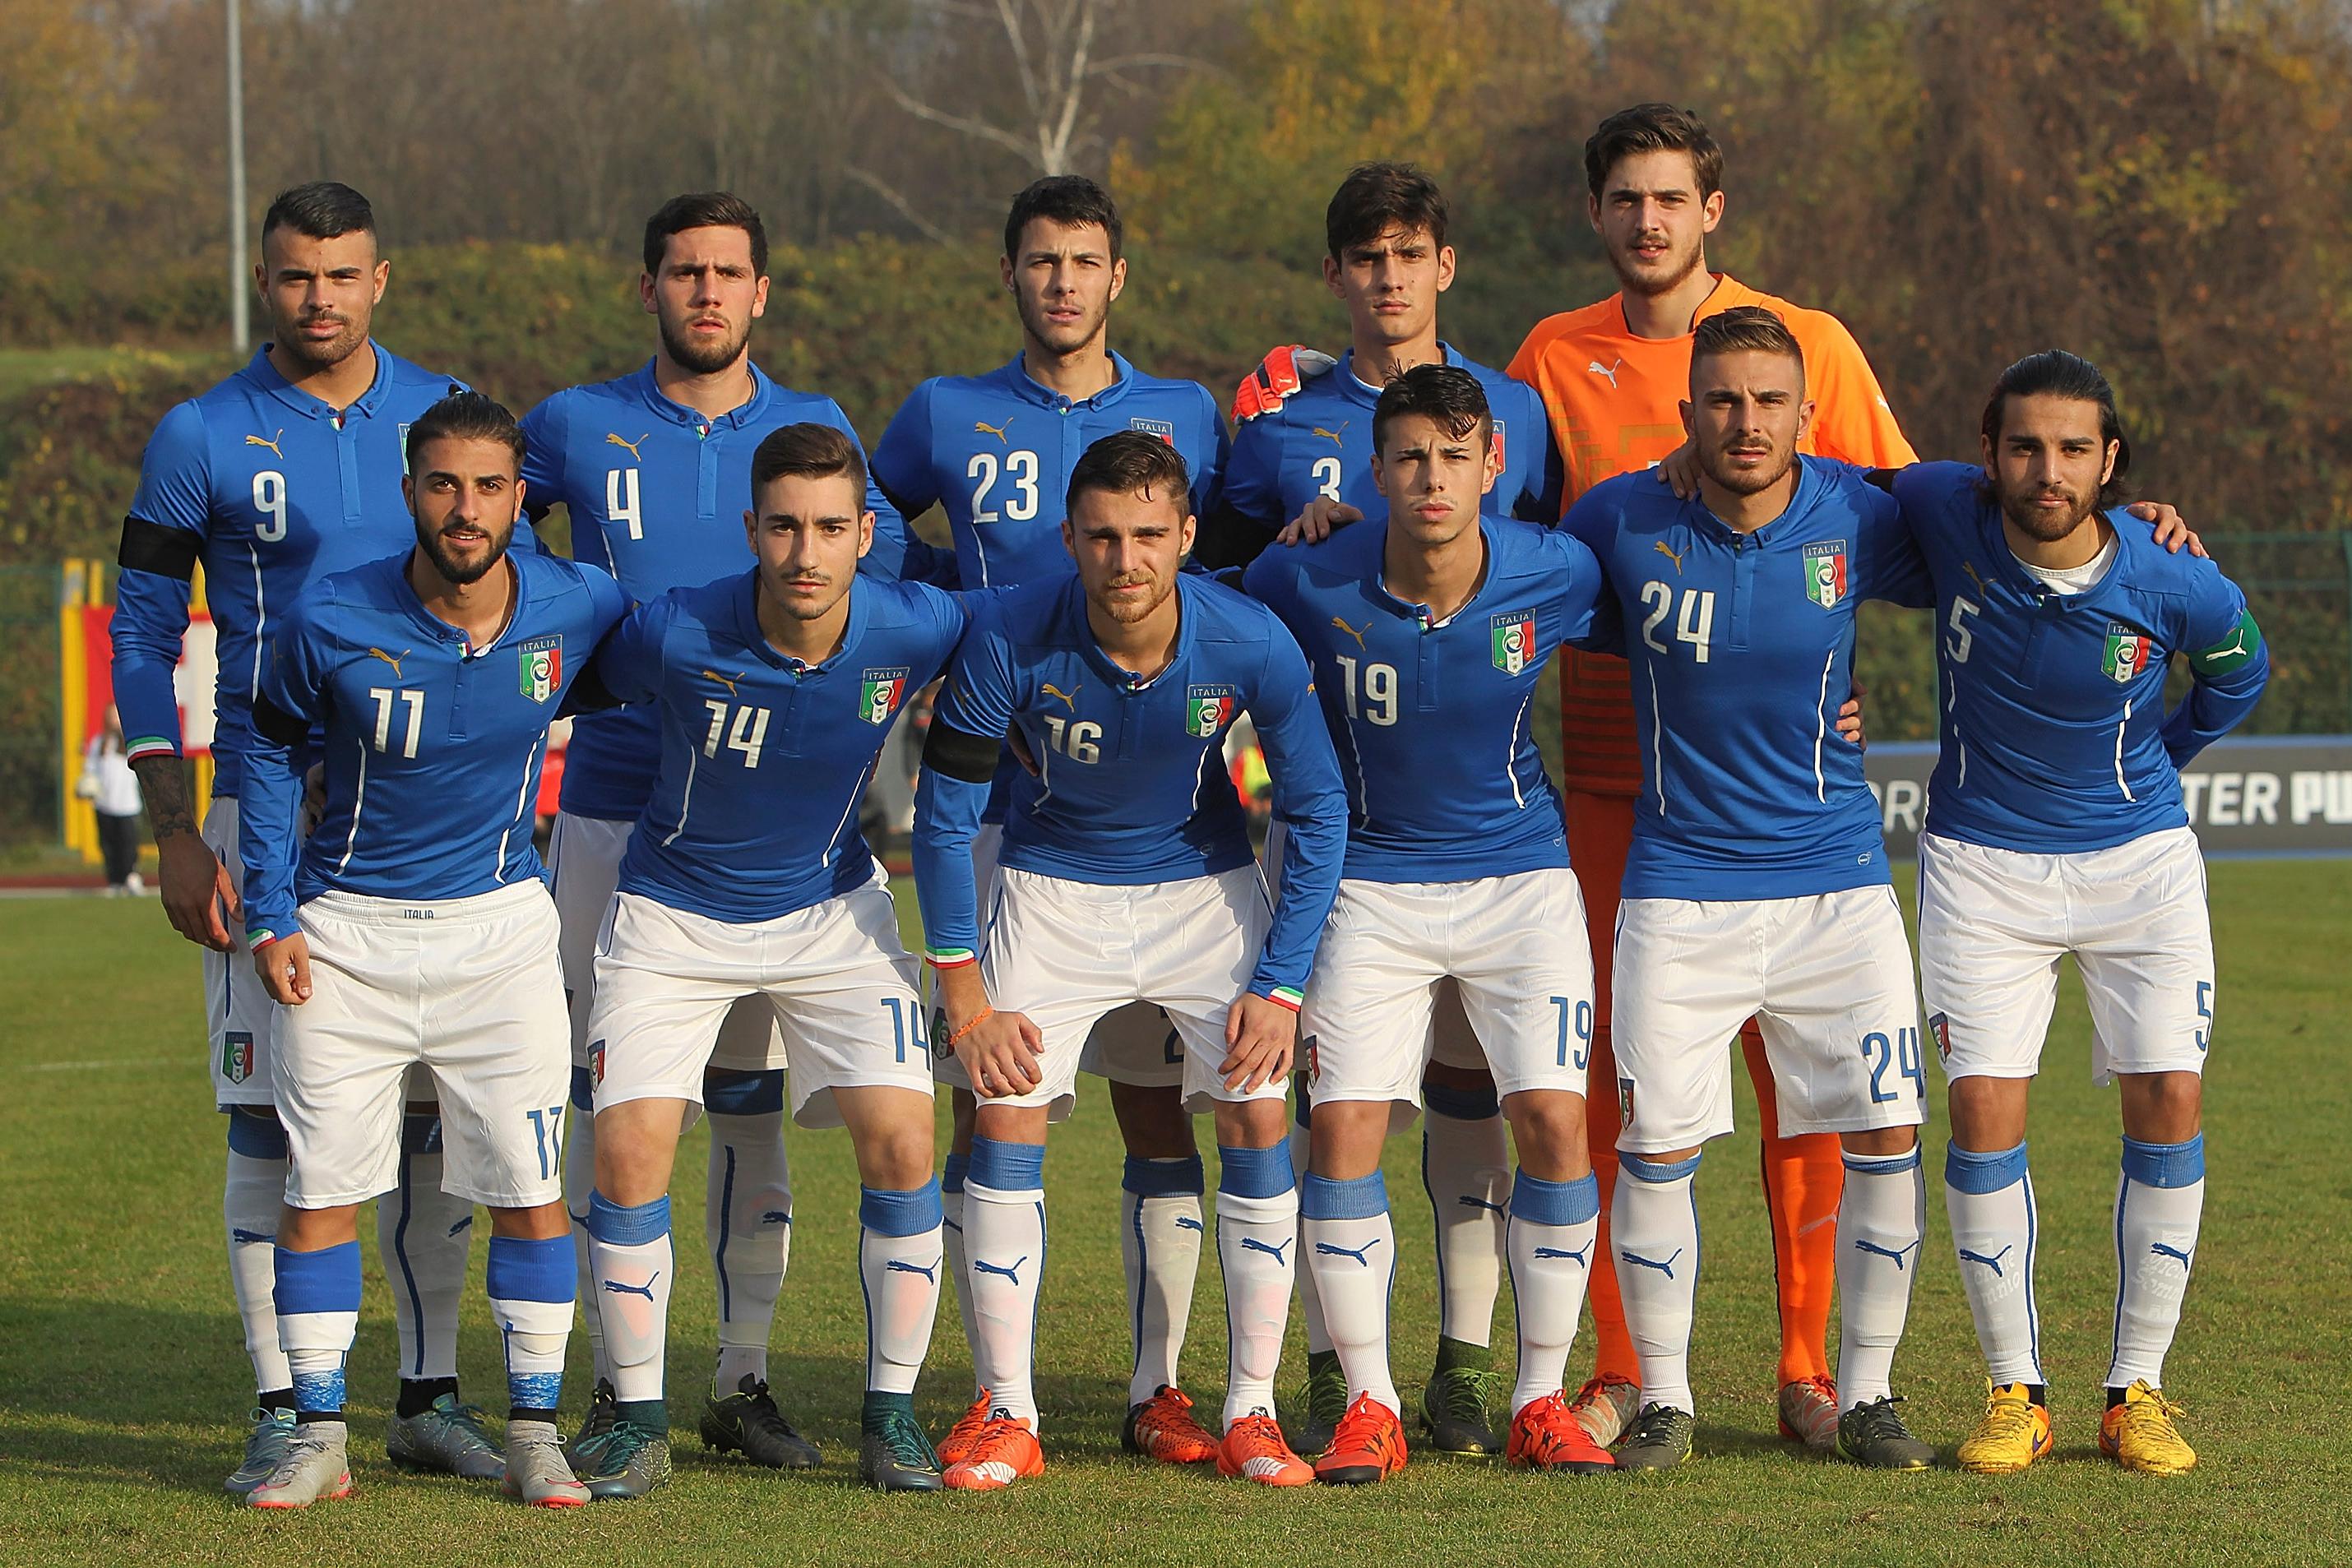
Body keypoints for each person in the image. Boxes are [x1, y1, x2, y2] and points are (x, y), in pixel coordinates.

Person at [1505, 103, 1922, 1449]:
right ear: (1597, 213)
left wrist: (2123, 517)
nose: (1648, 222)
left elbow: (1912, 516)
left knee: (1810, 1095)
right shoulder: (1549, 357)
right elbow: (1503, 542)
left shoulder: (1812, 347)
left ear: (1713, 209)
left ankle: (1811, 1367)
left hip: (1793, 801)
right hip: (1623, 789)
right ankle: (1633, 1370)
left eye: (1671, 198)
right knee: (1627, 1092)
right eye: (1625, 198)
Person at [519, 191, 924, 1468]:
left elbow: (892, 591)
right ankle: (612, 1386)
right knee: (615, 1104)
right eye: (684, 270)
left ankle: (741, 1379)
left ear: (761, 293)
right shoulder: (574, 423)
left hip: (790, 831)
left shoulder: (818, 441)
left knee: (751, 1103)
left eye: (728, 272)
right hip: (615, 816)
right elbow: (491, 550)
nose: (706, 291)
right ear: (649, 286)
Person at [108, 181, 495, 1490]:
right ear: (263, 282)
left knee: (431, 1110)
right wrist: (175, 826)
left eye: (341, 276)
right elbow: (145, 632)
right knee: (270, 1114)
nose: (318, 298)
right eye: (293, 277)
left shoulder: (449, 421)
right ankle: (285, 1404)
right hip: (260, 812)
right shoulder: (201, 434)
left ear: (382, 278)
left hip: (420, 813)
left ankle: (430, 1392)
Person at [870, 177, 1239, 1465]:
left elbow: (1231, 548)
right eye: (1041, 260)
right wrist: (951, 613)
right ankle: (1000, 1391)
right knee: (993, 1095)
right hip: (996, 798)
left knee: (1157, 1103)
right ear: (1011, 273)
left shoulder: (1187, 412)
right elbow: (868, 521)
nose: (1063, 282)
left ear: (1118, 276)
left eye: (1085, 260)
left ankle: (1161, 1386)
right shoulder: (945, 412)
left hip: (1152, 811)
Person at [910, 432, 1346, 1490]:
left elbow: (1318, 806)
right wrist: (961, 980)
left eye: (1150, 534)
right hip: (1051, 887)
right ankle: (1006, 1408)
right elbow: (944, 812)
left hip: (1205, 888)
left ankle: (1248, 1407)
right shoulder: (1010, 634)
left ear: (1187, 537)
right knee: (1004, 1111)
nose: (1125, 559)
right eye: (1102, 536)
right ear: (1069, 538)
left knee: (1253, 1110)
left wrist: (1282, 983)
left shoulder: (1250, 638)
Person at [1206, 164, 1560, 1455]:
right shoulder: (1275, 427)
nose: (1390, 276)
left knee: (1477, 1090)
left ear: (1445, 265)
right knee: (1340, 1100)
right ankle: (1331, 1363)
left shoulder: (1516, 409)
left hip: (1494, 831)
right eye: (1366, 256)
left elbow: (1568, 572)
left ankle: (1467, 1367)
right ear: (1336, 276)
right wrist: (1298, 547)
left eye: (1410, 251)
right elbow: (1229, 593)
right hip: (1345, 833)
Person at [237, 391, 627, 1507]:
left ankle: (535, 1431)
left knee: (531, 1186)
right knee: (321, 1189)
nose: (467, 509)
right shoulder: (330, 614)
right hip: (343, 933)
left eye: (489, 486)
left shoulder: (579, 601)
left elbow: (668, 663)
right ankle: (318, 1434)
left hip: (500, 932)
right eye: (445, 484)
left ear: (521, 498)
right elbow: (264, 744)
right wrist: (270, 907)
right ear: (411, 490)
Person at [1882, 352, 2267, 1478]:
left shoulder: (2170, 573)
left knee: (2170, 1096)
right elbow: (1816, 493)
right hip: (1982, 864)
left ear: (2111, 462)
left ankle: (2133, 1387)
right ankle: (2017, 1390)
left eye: (2072, 449)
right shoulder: (1943, 512)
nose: (2046, 470)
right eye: (2024, 446)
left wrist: (2160, 754)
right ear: (1988, 451)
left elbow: (2239, 671)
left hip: (2138, 866)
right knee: (1986, 1112)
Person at [571, 424, 965, 1497]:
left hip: (828, 907)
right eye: (784, 524)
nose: (806, 550)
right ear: (752, 529)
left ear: (865, 536)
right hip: (672, 910)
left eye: (830, 527)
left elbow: (1021, 631)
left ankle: (893, 1414)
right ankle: (636, 1416)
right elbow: (565, 677)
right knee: (628, 1150)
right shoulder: (675, 629)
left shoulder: (915, 624)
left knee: (903, 1135)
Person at [1245, 365, 1618, 1482]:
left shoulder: (1557, 569)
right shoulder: (1303, 575)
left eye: (1454, 457)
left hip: (1521, 881)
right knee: (1349, 1129)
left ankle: (1539, 1397)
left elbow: (1678, 627)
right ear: (1377, 468)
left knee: (1553, 1122)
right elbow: (1212, 635)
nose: (1430, 478)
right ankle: (1370, 1401)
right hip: (1368, 885)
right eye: (1409, 457)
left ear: (1493, 466)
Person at [79, 706, 146, 894]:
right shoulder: (99, 743)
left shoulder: (129, 743)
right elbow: (90, 770)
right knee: (109, 845)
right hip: (104, 804)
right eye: (111, 717)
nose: (114, 720)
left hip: (127, 804)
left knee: (128, 845)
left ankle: (131, 878)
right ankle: (114, 882)